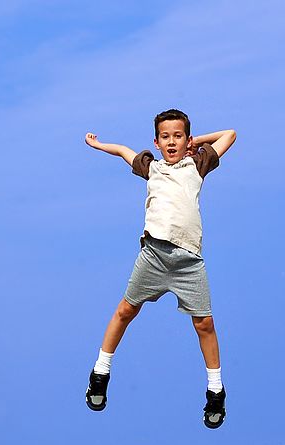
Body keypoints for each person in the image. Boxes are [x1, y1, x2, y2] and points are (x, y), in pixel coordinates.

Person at [84, 108, 236, 428]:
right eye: (165, 137)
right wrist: (99, 145)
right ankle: (100, 372)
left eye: (178, 136)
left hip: (188, 261)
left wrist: (198, 142)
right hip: (153, 254)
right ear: (156, 141)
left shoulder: (198, 163)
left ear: (187, 140)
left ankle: (215, 391)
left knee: (204, 324)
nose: (171, 142)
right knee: (125, 311)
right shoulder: (150, 167)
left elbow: (230, 134)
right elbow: (124, 151)